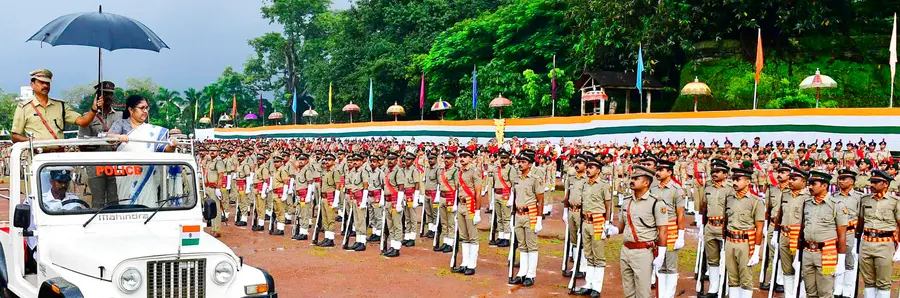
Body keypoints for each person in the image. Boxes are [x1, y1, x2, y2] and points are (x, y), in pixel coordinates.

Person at [607, 165, 667, 298]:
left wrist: (661, 255)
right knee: (628, 291)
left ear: (646, 183)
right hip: (626, 250)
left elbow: (663, 230)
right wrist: (612, 230)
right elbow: (621, 227)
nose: (632, 181)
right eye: (632, 178)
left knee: (643, 293)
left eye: (636, 179)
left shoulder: (656, 203)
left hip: (643, 252)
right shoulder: (627, 201)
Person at [12, 69, 101, 143]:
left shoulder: (60, 106)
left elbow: (83, 122)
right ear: (32, 84)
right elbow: (15, 136)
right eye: (41, 82)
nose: (45, 85)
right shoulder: (24, 107)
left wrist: (93, 109)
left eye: (47, 83)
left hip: (57, 156)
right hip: (36, 156)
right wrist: (31, 140)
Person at [799, 170, 848, 298]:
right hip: (808, 251)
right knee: (810, 291)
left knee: (825, 293)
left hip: (826, 253)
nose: (809, 187)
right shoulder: (807, 203)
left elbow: (842, 234)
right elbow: (803, 228)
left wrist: (841, 261)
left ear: (824, 186)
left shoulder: (836, 205)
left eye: (813, 184)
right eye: (808, 184)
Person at [572, 156, 612, 297]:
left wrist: (607, 224)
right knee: (588, 254)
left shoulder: (603, 185)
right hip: (585, 222)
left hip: (597, 223)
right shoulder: (585, 184)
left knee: (598, 255)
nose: (588, 170)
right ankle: (589, 283)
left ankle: (597, 286)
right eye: (587, 167)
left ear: (598, 170)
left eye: (591, 167)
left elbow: (608, 206)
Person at [856, 170, 900, 298]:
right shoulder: (865, 200)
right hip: (867, 242)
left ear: (885, 183)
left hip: (885, 243)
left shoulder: (895, 201)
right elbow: (861, 221)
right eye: (871, 182)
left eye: (876, 182)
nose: (872, 185)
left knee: (883, 281)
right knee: (868, 281)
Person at [723, 167, 765, 298]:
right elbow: (725, 221)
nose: (734, 183)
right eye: (733, 179)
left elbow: (759, 228)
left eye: (738, 180)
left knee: (746, 279)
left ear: (748, 181)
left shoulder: (756, 201)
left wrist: (756, 252)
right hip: (730, 241)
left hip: (745, 243)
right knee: (732, 278)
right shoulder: (729, 199)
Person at [508, 150, 545, 287]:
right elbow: (514, 198)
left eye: (523, 162)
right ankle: (522, 272)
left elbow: (540, 200)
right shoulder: (516, 179)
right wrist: (512, 215)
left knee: (531, 245)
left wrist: (539, 219)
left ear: (530, 164)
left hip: (531, 215)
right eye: (520, 162)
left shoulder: (535, 179)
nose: (520, 164)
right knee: (522, 245)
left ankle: (531, 274)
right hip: (518, 214)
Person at [653, 159, 686, 298]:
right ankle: (661, 295)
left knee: (670, 266)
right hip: (656, 231)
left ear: (670, 172)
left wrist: (681, 236)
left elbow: (681, 214)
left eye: (661, 170)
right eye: (658, 169)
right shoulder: (653, 188)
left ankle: (669, 295)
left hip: (671, 231)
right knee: (659, 265)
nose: (658, 172)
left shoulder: (677, 190)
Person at [106, 95, 178, 152]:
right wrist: (119, 137)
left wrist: (172, 146)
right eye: (142, 108)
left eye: (147, 108)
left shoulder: (152, 131)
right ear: (131, 110)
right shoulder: (121, 124)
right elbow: (109, 137)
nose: (145, 111)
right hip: (125, 168)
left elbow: (165, 149)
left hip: (145, 166)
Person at [451, 149, 483, 275]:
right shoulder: (459, 172)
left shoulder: (475, 171)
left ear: (471, 158)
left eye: (465, 156)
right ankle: (465, 262)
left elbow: (478, 193)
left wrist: (477, 212)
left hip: (470, 204)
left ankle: (472, 264)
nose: (462, 158)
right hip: (461, 204)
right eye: (461, 156)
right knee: (464, 236)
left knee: (472, 237)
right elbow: (457, 190)